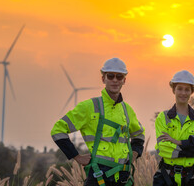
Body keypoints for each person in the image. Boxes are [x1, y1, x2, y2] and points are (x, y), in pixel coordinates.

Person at [51, 58, 145, 186]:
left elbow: (139, 135)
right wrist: (77, 157)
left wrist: (133, 156)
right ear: (103, 79)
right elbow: (58, 130)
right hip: (98, 177)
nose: (115, 80)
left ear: (124, 80)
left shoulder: (127, 110)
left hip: (124, 178)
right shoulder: (89, 107)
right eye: (110, 76)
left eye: (119, 76)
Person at [153, 70, 194, 186]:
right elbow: (163, 148)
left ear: (192, 91)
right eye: (180, 88)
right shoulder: (163, 118)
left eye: (187, 89)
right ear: (173, 90)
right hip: (167, 178)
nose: (183, 93)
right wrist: (193, 149)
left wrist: (178, 142)